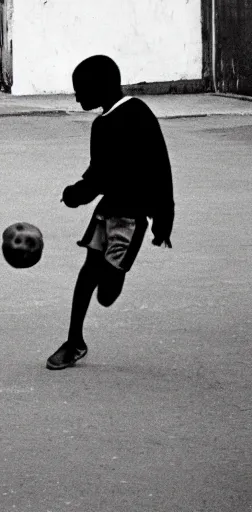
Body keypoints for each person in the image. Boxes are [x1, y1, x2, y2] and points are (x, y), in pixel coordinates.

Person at [48, 55, 175, 370]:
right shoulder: (100, 124)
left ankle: (113, 274)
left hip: (130, 220)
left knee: (106, 293)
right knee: (87, 271)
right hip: (106, 213)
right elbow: (98, 173)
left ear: (100, 87)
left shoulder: (138, 114)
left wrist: (163, 221)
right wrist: (77, 192)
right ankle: (74, 340)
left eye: (81, 89)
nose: (77, 96)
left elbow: (161, 169)